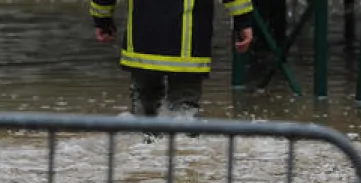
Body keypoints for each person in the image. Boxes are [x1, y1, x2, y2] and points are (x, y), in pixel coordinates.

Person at [90, 0, 254, 131]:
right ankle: (185, 161)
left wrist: (102, 19)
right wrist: (243, 21)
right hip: (188, 47)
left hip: (143, 42)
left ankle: (143, 163)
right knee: (185, 111)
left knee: (143, 110)